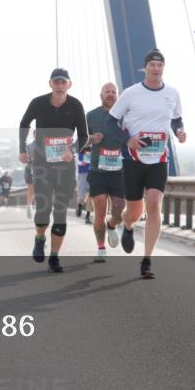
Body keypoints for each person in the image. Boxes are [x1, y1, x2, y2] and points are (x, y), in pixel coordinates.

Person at [106, 50, 186, 279]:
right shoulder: (131, 93)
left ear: (164, 68)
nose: (156, 68)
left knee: (153, 204)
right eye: (152, 64)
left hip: (159, 159)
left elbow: (176, 118)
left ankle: (147, 259)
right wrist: (127, 139)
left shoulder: (172, 93)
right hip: (133, 159)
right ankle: (126, 226)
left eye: (160, 65)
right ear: (145, 68)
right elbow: (111, 121)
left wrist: (179, 131)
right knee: (133, 211)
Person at [18, 68, 88, 273]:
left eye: (63, 82)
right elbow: (24, 124)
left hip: (65, 166)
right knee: (43, 210)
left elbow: (84, 136)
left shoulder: (75, 105)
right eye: (56, 82)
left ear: (69, 85)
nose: (59, 85)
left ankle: (55, 256)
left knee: (60, 212)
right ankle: (40, 237)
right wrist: (22, 150)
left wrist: (73, 150)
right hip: (41, 164)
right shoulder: (38, 103)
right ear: (50, 84)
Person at [86, 83, 126, 262]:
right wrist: (91, 139)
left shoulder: (126, 114)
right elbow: (80, 141)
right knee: (100, 212)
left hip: (120, 171)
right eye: (107, 92)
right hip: (98, 170)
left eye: (113, 92)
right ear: (100, 95)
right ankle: (101, 248)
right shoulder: (91, 116)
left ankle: (112, 225)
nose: (110, 95)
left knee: (119, 210)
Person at [76, 147, 92, 223]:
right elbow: (75, 159)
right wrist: (81, 162)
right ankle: (79, 206)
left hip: (92, 173)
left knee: (90, 195)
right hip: (82, 174)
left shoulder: (94, 147)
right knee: (81, 194)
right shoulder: (79, 150)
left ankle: (88, 215)